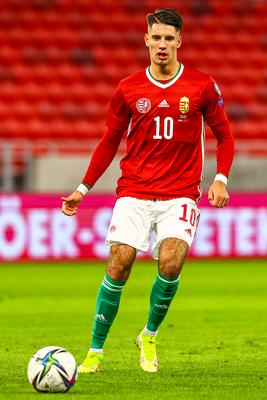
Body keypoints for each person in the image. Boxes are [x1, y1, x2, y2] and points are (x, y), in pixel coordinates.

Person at [61, 8, 234, 373]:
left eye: (169, 38)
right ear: (146, 40)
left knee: (171, 262)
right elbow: (109, 141)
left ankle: (150, 334)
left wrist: (222, 177)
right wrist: (82, 188)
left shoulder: (202, 86)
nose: (162, 44)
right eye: (156, 37)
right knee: (119, 263)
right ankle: (95, 351)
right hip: (135, 191)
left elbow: (225, 135)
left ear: (179, 42)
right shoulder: (128, 88)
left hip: (180, 193)